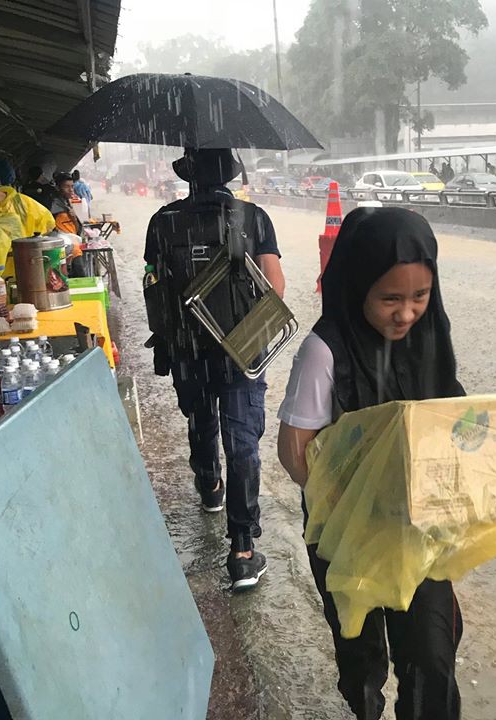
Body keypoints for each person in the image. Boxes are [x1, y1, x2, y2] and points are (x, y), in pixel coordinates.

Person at [276, 207, 465, 720]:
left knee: (431, 654)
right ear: (358, 285)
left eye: (420, 297)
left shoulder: (431, 338)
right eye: (390, 299)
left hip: (417, 529)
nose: (406, 314)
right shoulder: (324, 351)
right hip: (345, 535)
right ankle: (365, 709)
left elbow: (455, 421)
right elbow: (294, 450)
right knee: (361, 651)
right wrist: (354, 504)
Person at [145, 148, 285, 591]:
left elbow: (154, 284)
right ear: (230, 175)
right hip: (240, 347)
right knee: (243, 440)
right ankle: (242, 550)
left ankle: (209, 483)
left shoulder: (163, 221)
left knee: (200, 418)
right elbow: (274, 285)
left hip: (188, 347)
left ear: (188, 176)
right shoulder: (253, 217)